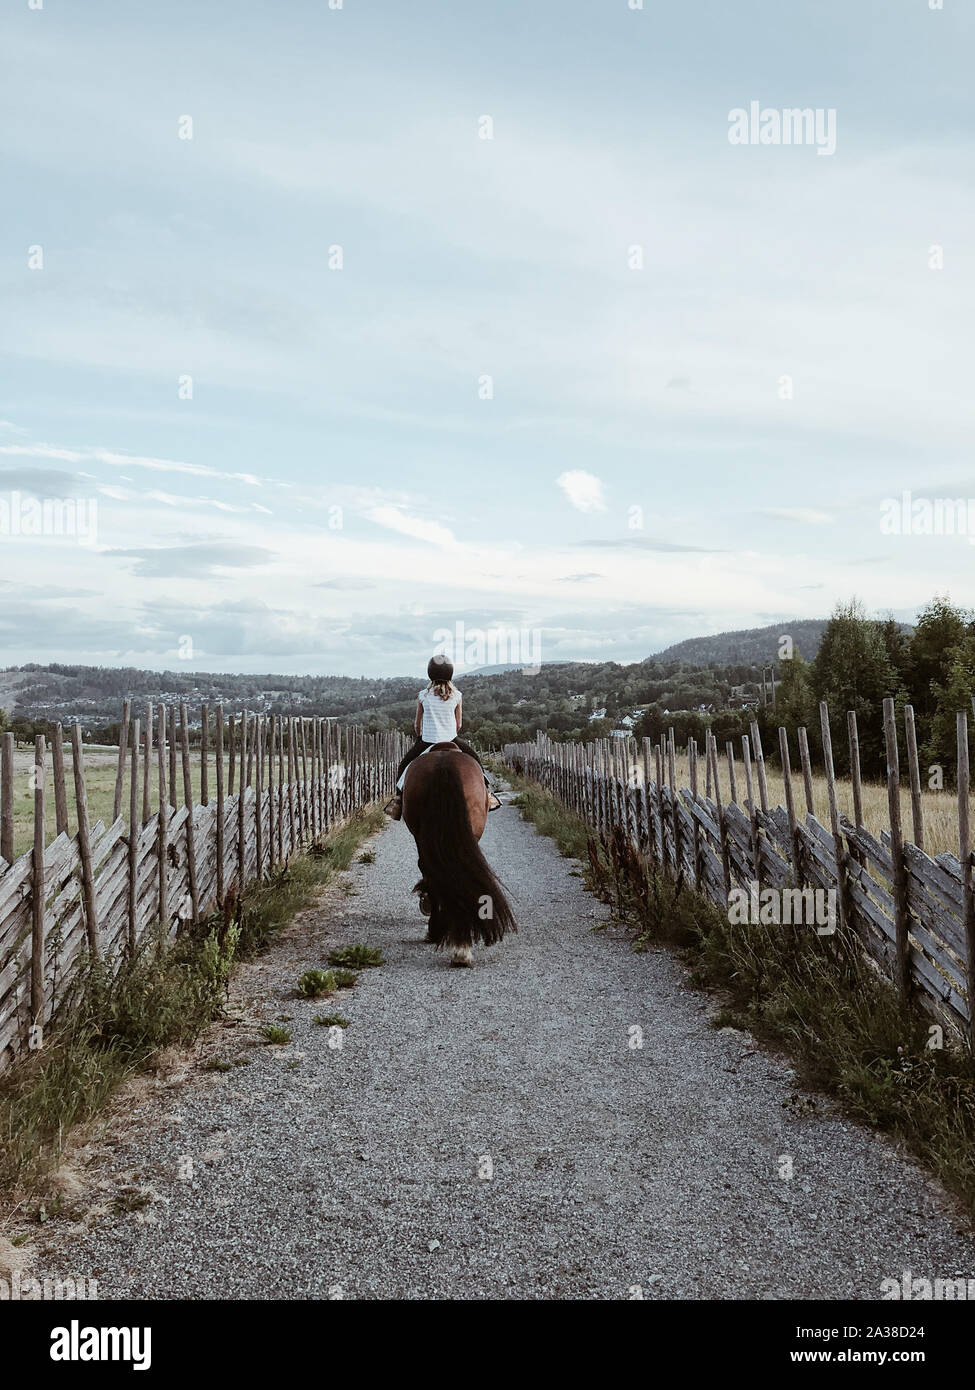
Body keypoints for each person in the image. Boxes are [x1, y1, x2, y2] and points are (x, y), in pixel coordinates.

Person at [384, 655, 500, 819]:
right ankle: (488, 794)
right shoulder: (457, 695)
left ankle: (398, 801)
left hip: (427, 740)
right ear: (450, 674)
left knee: (404, 765)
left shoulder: (423, 695)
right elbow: (459, 724)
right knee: (475, 760)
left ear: (430, 673)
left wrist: (419, 735)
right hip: (451, 738)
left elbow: (417, 724)